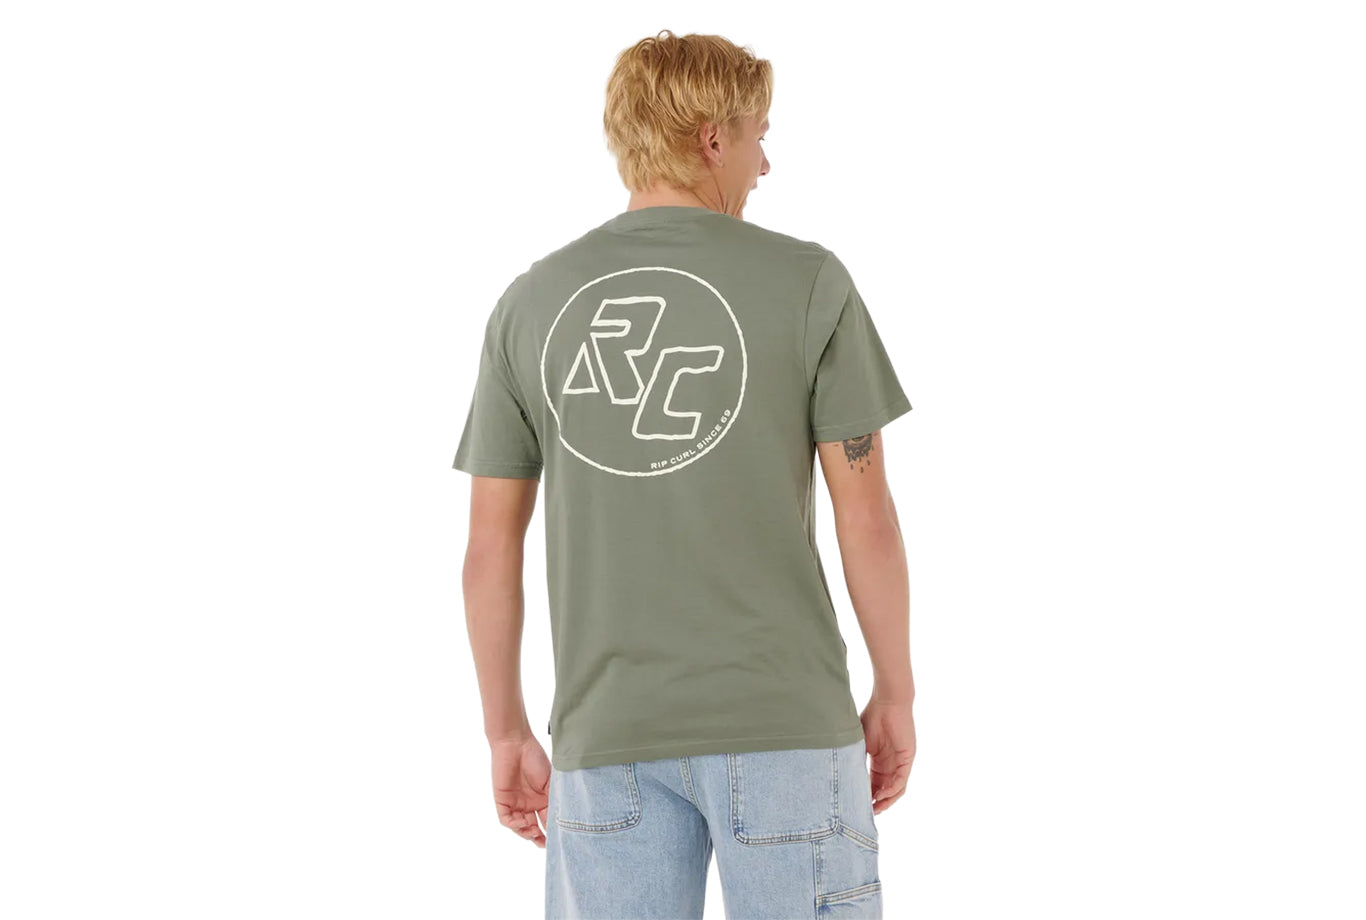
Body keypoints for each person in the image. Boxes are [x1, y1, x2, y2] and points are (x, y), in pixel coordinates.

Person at [452, 30, 916, 920]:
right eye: (757, 137)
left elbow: (487, 551)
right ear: (712, 138)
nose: (764, 164)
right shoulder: (809, 283)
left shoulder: (530, 304)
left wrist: (504, 728)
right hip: (785, 727)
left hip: (605, 739)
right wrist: (894, 691)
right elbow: (867, 520)